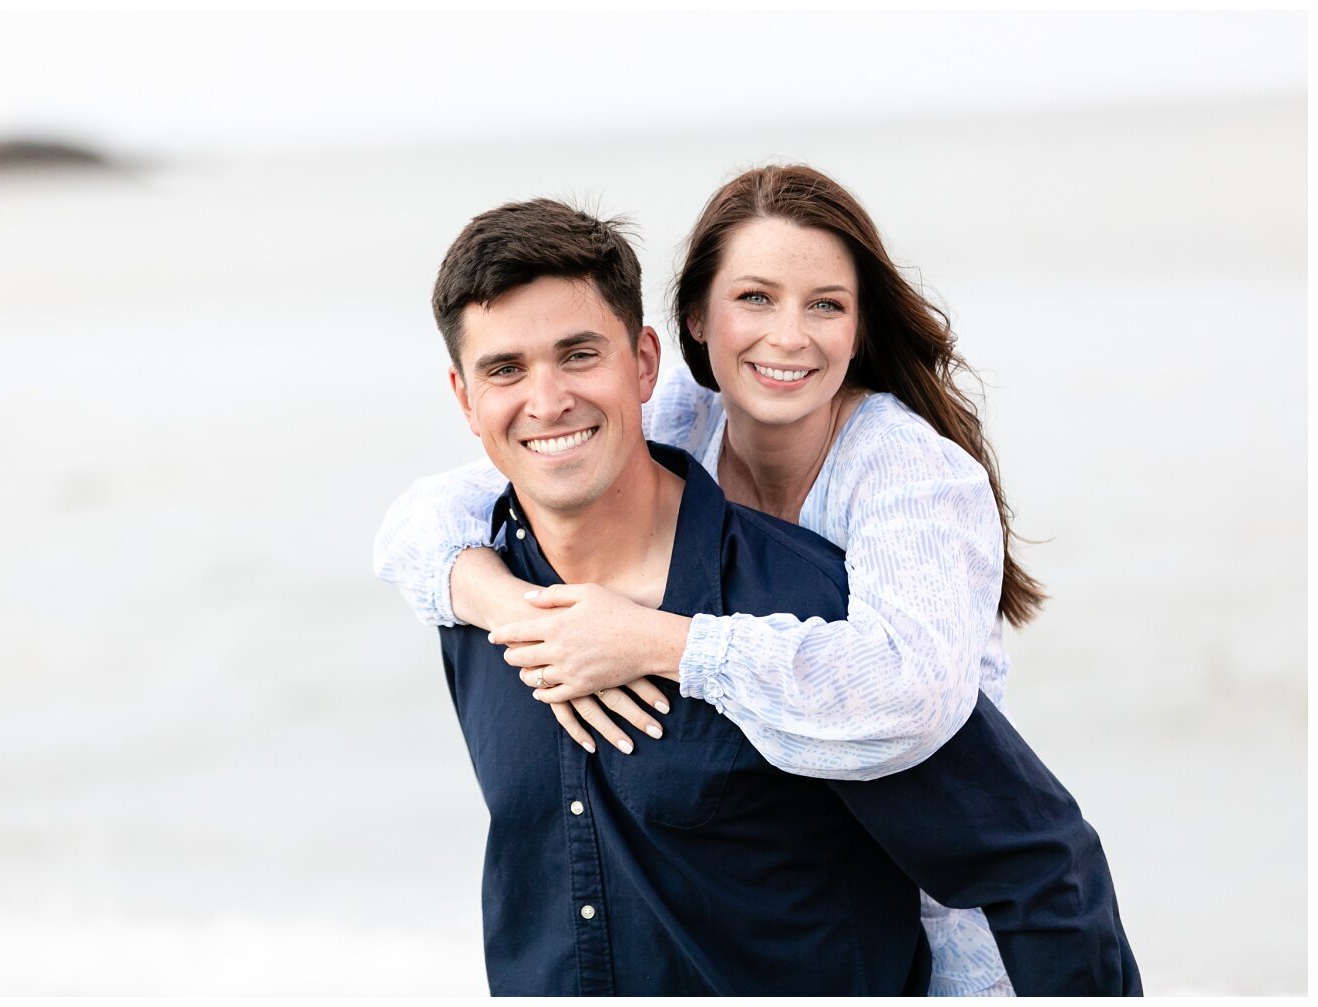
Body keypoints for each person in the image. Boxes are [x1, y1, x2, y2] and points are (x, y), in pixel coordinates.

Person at [403, 196, 1139, 995]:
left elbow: (976, 784)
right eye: (755, 298)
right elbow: (428, 516)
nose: (547, 400)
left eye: (825, 304)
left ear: (640, 362)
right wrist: (508, 606)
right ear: (696, 325)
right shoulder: (501, 573)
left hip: (947, 936)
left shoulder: (878, 514)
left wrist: (661, 640)